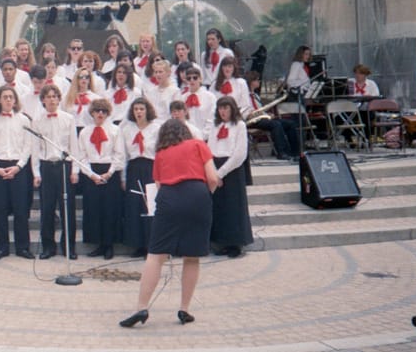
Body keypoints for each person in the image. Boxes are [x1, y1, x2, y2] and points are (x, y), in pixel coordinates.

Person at [120, 118, 218, 328]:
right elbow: (212, 177)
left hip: (169, 196)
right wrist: (203, 195)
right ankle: (184, 309)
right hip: (197, 194)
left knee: (156, 255)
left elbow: (158, 183)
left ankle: (141, 307)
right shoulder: (199, 145)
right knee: (192, 257)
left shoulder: (161, 154)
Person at [0, 85, 34, 260]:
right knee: (0, 210)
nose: (9, 100)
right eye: (5, 97)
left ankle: (23, 247)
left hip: (19, 167)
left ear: (15, 100)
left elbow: (28, 146)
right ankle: (2, 247)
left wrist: (18, 166)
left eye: (11, 97)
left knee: (21, 209)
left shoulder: (24, 120)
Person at [32, 84, 78, 259]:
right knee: (47, 209)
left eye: (54, 96)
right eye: (48, 97)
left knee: (68, 209)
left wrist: (75, 170)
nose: (51, 99)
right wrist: (36, 173)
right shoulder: (37, 121)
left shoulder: (68, 119)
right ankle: (48, 247)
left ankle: (69, 247)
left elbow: (74, 146)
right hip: (46, 167)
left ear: (59, 99)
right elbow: (35, 149)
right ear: (43, 100)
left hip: (64, 166)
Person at [73, 98, 124, 259]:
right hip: (91, 173)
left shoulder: (115, 130)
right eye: (97, 111)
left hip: (110, 172)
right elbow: (81, 156)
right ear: (92, 113)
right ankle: (98, 244)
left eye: (103, 111)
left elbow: (119, 154)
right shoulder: (85, 132)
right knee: (94, 210)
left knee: (110, 209)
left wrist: (109, 173)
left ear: (108, 113)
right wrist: (92, 175)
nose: (100, 114)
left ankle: (109, 245)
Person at [208, 96, 252, 258]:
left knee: (234, 207)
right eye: (220, 108)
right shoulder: (215, 126)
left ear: (232, 109)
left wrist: (221, 173)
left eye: (226, 108)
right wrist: (213, 171)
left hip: (232, 170)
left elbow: (240, 154)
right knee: (219, 207)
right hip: (216, 166)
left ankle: (235, 243)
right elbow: (209, 149)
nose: (223, 111)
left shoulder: (240, 126)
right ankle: (221, 241)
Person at [119, 98, 161, 258]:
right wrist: (123, 177)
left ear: (147, 110)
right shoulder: (127, 129)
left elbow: (159, 153)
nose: (138, 112)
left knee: (150, 207)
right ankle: (138, 245)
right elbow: (124, 154)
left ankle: (152, 245)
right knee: (135, 206)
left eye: (142, 109)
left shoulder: (156, 128)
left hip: (150, 167)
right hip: (134, 168)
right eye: (136, 109)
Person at [244, 71, 299, 160]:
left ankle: (295, 152)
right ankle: (281, 152)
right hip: (252, 121)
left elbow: (260, 109)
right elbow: (247, 111)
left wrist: (267, 114)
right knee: (276, 125)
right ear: (251, 82)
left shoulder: (256, 96)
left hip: (261, 118)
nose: (259, 82)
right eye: (257, 80)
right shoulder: (245, 96)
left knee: (290, 124)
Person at [178, 66, 215, 139]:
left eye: (195, 78)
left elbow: (211, 119)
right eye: (189, 78)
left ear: (200, 79)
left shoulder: (210, 97)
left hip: (206, 138)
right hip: (187, 139)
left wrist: (202, 136)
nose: (192, 80)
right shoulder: (182, 98)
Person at [64, 67, 97, 132]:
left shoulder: (95, 98)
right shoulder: (67, 97)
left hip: (88, 131)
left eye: (86, 77)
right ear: (76, 79)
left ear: (90, 79)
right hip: (72, 131)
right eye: (81, 77)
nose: (84, 79)